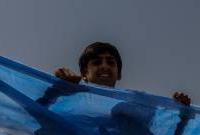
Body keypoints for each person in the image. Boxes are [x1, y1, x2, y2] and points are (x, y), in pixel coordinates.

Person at [55, 42, 191, 105]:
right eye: (97, 62)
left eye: (110, 62)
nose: (104, 66)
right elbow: (39, 118)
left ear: (119, 74)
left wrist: (181, 115)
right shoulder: (71, 102)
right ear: (84, 73)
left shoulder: (132, 106)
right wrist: (56, 89)